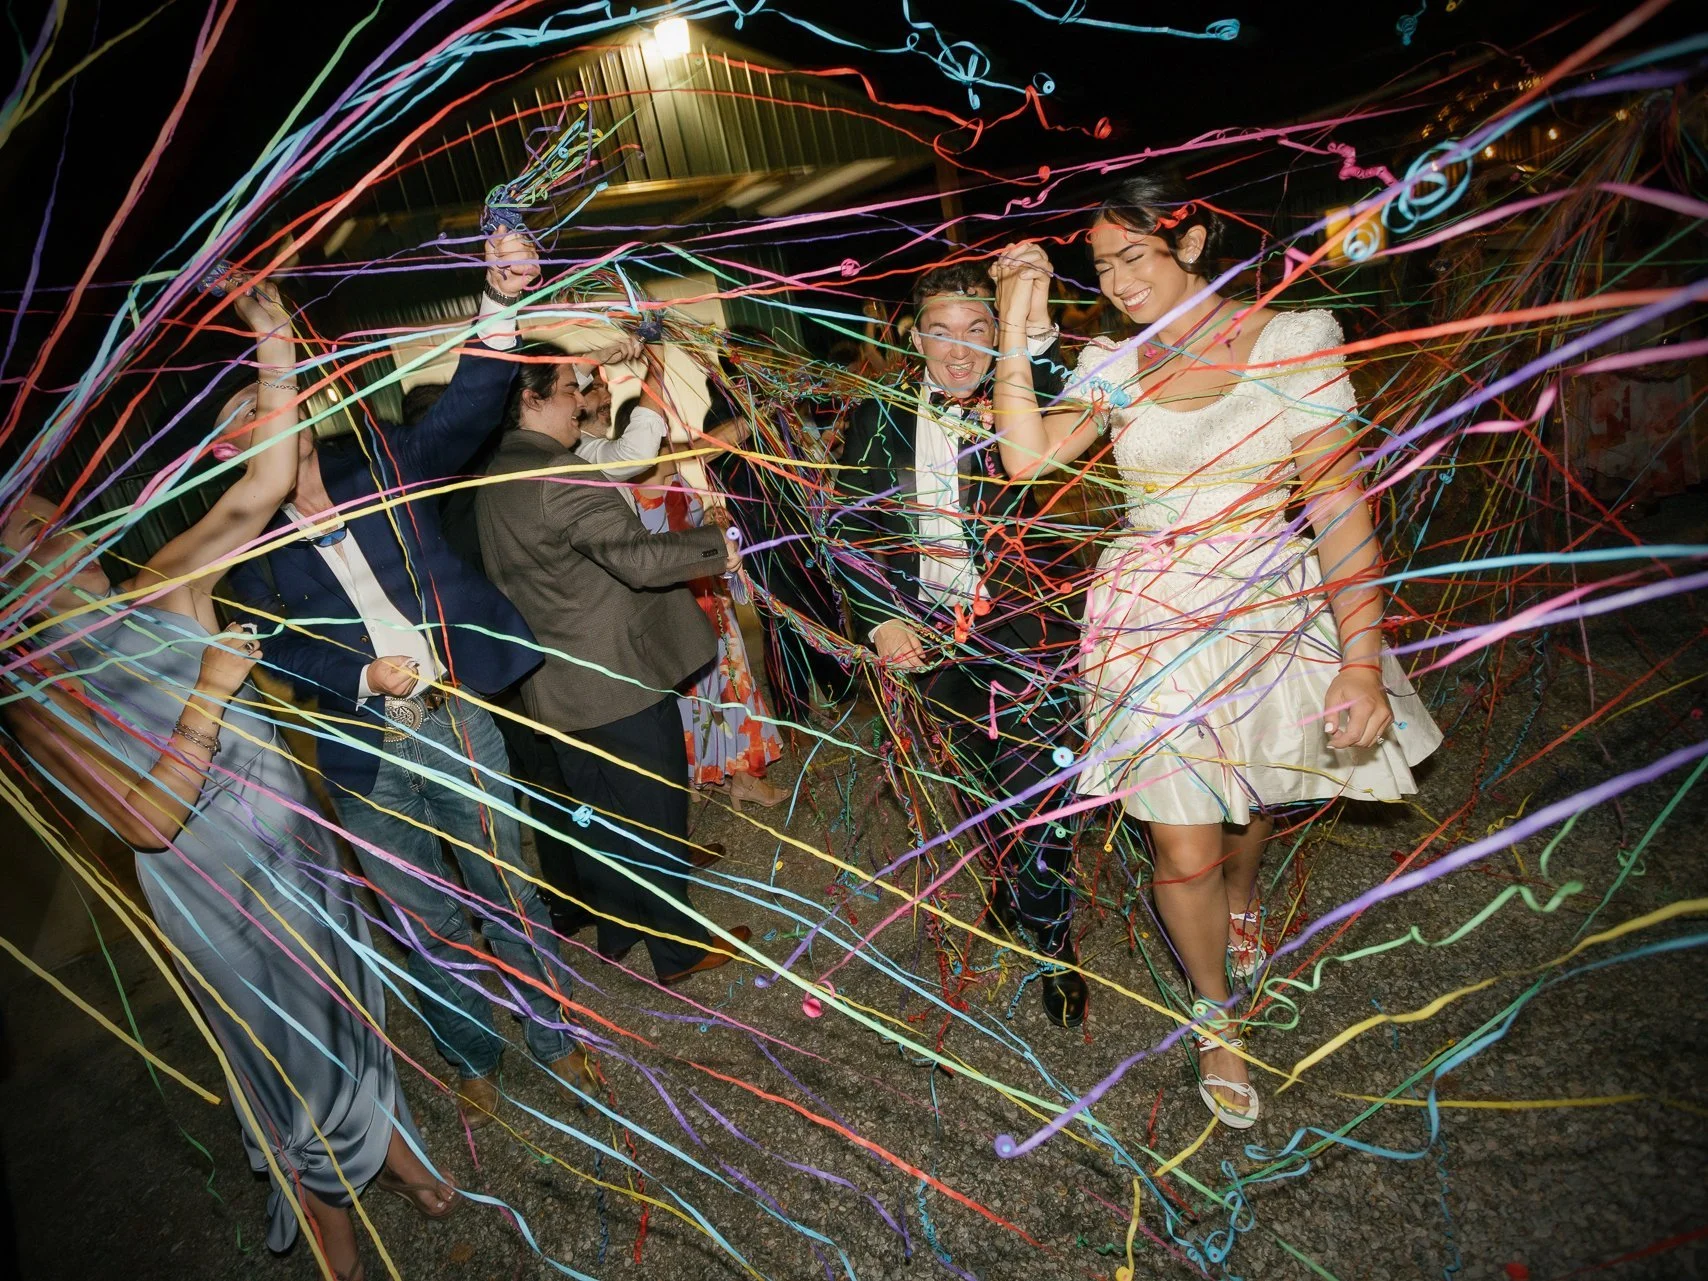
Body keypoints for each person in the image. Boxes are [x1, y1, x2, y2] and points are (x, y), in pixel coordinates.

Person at [0, 276, 454, 1281]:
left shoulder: (164, 582)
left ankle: (401, 1154)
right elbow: (149, 821)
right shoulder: (40, 703)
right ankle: (336, 1232)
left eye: (51, 515)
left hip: (297, 849)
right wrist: (210, 689)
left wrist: (276, 338)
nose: (54, 532)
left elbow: (259, 484)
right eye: (25, 535)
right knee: (287, 1058)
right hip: (211, 897)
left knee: (352, 1004)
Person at [987, 175, 1443, 1128]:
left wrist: (1361, 658)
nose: (1115, 280)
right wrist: (1014, 317)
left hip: (1263, 606)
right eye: (1101, 264)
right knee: (1180, 833)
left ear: (1190, 241)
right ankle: (1214, 1013)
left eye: (1134, 255)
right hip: (1147, 620)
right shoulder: (1114, 360)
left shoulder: (1292, 340)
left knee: (1248, 806)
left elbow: (1339, 508)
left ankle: (1245, 896)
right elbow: (1026, 459)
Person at [227, 232, 594, 1134]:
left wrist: (500, 302)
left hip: (452, 716)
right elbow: (268, 647)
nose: (266, 422)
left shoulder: (381, 464)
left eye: (273, 404)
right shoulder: (244, 545)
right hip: (361, 752)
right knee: (424, 914)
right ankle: (472, 1051)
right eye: (245, 418)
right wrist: (358, 671)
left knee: (507, 882)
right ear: (231, 447)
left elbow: (467, 409)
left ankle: (552, 1033)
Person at [828, 258, 1089, 1028]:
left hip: (1029, 629)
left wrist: (1029, 313)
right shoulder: (878, 416)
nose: (959, 349)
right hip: (930, 636)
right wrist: (880, 617)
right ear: (912, 336)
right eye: (940, 331)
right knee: (978, 782)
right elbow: (849, 527)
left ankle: (1055, 937)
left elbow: (1055, 374)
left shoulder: (1025, 399)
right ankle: (1012, 883)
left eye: (977, 331)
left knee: (1036, 785)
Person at [477, 345, 755, 985]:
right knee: (652, 815)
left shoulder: (499, 471)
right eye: (570, 389)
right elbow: (639, 560)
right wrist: (719, 546)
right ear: (532, 398)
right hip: (616, 682)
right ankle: (679, 950)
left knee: (604, 818)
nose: (582, 400)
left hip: (559, 683)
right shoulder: (560, 475)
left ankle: (620, 928)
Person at [633, 445, 788, 809]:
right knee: (709, 694)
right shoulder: (637, 496)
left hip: (710, 597)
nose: (673, 445)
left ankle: (736, 776)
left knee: (729, 687)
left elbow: (698, 528)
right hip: (683, 609)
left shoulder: (677, 480)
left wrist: (715, 524)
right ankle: (728, 776)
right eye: (662, 438)